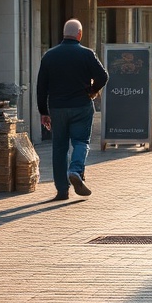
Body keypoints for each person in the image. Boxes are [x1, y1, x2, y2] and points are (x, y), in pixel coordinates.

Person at [36, 18, 109, 201]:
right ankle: (75, 170)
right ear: (80, 34)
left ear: (63, 34)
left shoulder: (49, 56)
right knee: (81, 141)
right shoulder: (87, 54)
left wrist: (43, 111)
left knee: (59, 147)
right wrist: (92, 90)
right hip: (81, 106)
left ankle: (62, 190)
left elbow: (41, 87)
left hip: (57, 108)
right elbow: (103, 76)